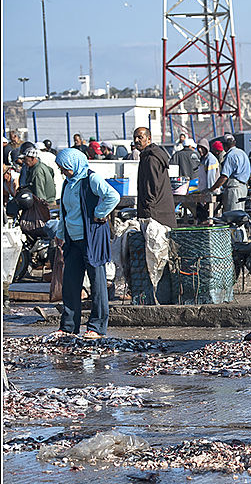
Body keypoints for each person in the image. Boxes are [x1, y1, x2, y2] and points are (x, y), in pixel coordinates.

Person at [53, 148, 120, 339]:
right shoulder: (67, 184)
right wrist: (60, 234)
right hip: (72, 240)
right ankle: (68, 326)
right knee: (70, 283)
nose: (62, 172)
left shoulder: (91, 179)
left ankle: (97, 327)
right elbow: (63, 212)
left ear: (73, 164)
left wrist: (99, 213)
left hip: (91, 239)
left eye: (64, 168)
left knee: (97, 284)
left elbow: (113, 196)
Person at [133, 126, 177, 228]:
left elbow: (152, 186)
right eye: (135, 138)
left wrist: (148, 212)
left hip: (156, 213)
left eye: (140, 137)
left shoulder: (151, 158)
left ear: (148, 139)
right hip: (159, 211)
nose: (136, 141)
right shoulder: (147, 156)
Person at [210, 134, 251, 212]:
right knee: (240, 213)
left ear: (225, 145)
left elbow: (224, 177)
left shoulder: (230, 156)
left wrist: (212, 188)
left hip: (234, 188)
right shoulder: (242, 153)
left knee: (232, 215)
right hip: (243, 188)